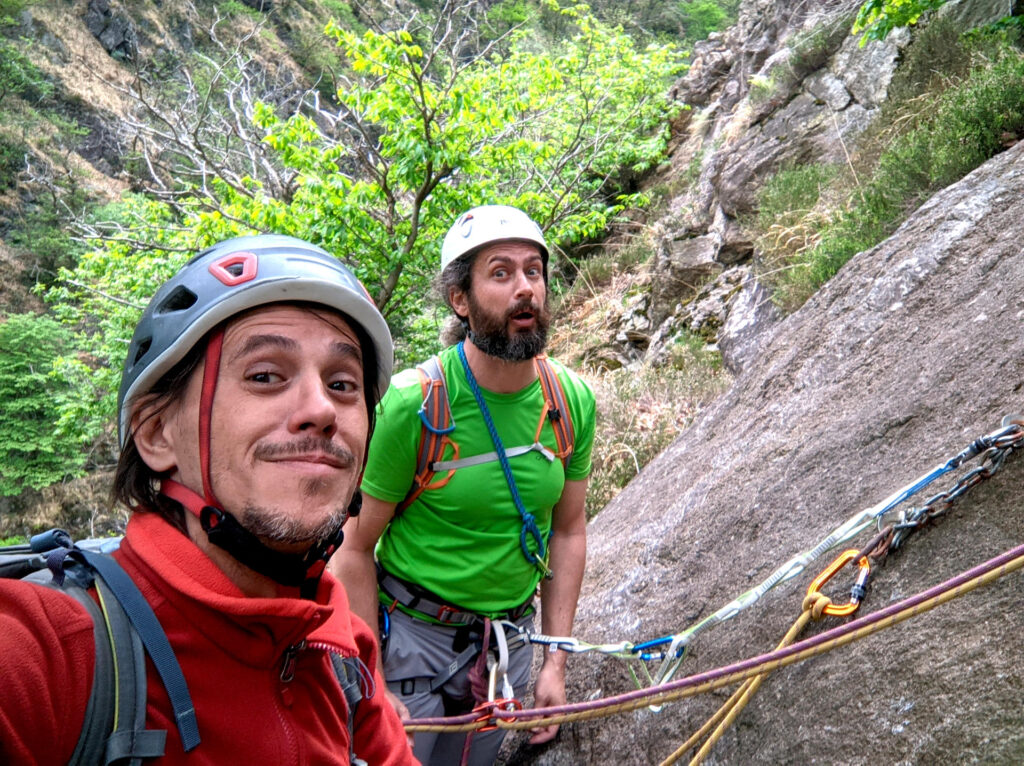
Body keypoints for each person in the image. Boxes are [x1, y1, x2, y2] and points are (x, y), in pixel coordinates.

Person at [0, 235, 418, 765]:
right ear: (156, 434)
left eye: (343, 384)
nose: (321, 409)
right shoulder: (50, 652)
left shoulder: (342, 652)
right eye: (265, 376)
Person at [331, 205, 596, 765]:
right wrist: (371, 678)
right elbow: (352, 549)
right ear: (461, 300)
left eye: (533, 271)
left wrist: (554, 662)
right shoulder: (415, 405)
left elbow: (569, 532)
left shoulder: (568, 401)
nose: (525, 288)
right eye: (501, 273)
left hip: (508, 646)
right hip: (410, 645)